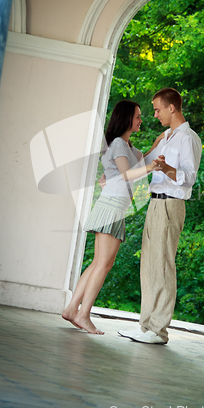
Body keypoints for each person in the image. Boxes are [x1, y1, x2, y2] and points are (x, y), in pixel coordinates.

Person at [62, 100, 159, 334]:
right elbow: (128, 174)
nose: (141, 120)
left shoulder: (128, 147)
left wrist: (158, 144)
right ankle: (83, 315)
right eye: (137, 116)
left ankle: (72, 309)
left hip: (114, 207)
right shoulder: (117, 144)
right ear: (126, 118)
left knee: (99, 263)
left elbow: (141, 160)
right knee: (103, 264)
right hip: (112, 207)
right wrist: (151, 167)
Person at [119, 87, 202, 344]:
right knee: (150, 266)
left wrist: (166, 167)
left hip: (171, 205)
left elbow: (189, 178)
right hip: (155, 205)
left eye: (157, 109)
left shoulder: (188, 138)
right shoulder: (165, 137)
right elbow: (144, 165)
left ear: (171, 108)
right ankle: (146, 326)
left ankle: (159, 330)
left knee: (163, 266)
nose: (155, 115)